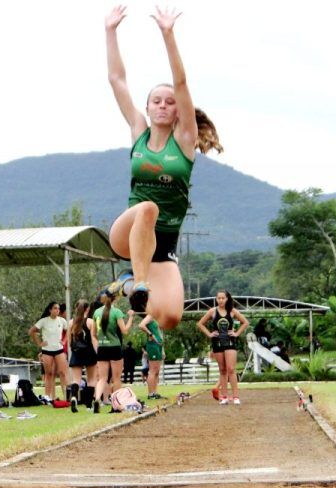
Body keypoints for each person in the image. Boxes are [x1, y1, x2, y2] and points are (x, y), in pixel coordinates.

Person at [103, 5, 223, 329]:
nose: (163, 105)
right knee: (148, 208)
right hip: (128, 233)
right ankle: (139, 282)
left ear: (177, 112)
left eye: (169, 103)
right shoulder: (138, 132)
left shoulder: (185, 141)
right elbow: (117, 79)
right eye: (156, 100)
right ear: (146, 107)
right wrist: (110, 31)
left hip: (163, 244)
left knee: (170, 317)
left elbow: (181, 83)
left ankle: (127, 285)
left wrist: (168, 34)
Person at [197, 290, 249, 405]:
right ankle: (224, 397)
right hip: (217, 343)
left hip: (230, 342)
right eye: (218, 298)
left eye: (223, 298)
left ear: (227, 299)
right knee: (222, 370)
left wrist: (236, 333)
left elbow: (245, 322)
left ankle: (235, 397)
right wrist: (209, 334)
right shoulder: (212, 311)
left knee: (231, 369)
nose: (220, 300)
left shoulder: (232, 311)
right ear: (216, 299)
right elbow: (200, 324)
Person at [90, 290, 134, 413]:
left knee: (102, 378)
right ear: (115, 299)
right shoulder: (117, 312)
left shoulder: (97, 312)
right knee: (116, 378)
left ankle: (97, 399)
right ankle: (116, 405)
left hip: (102, 348)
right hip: (115, 347)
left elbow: (93, 334)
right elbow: (124, 330)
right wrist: (130, 317)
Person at [29, 302, 68, 401]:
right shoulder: (43, 321)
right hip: (47, 351)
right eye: (55, 308)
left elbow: (68, 332)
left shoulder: (62, 320)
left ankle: (66, 396)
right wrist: (39, 343)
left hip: (59, 350)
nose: (57, 310)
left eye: (58, 309)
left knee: (63, 373)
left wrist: (64, 341)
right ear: (50, 310)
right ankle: (47, 397)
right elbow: (31, 331)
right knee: (49, 373)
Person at [67, 299, 98, 412]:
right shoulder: (90, 322)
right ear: (87, 309)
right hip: (89, 352)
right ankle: (89, 405)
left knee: (76, 379)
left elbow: (69, 341)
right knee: (91, 380)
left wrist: (71, 353)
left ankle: (74, 397)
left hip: (76, 352)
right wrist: (98, 353)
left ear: (76, 309)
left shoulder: (71, 323)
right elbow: (94, 339)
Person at [139, 314, 165, 399]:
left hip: (158, 345)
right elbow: (141, 325)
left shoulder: (156, 317)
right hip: (152, 345)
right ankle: (150, 394)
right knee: (152, 371)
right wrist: (150, 334)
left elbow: (159, 332)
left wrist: (163, 350)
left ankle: (154, 392)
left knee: (157, 371)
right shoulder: (149, 316)